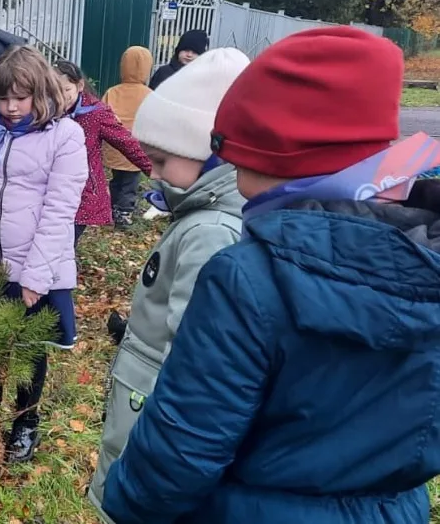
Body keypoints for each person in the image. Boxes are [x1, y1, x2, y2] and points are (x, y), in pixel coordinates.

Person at [100, 26, 440, 524]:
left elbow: (184, 443)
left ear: (272, 157)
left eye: (236, 158)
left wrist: (127, 503)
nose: (234, 177)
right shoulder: (425, 255)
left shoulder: (246, 277)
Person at [87, 47, 250, 512]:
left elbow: (190, 363)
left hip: (149, 418)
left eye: (161, 159)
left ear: (208, 151)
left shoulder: (211, 232)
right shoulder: (203, 216)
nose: (152, 172)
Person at [0, 45, 87, 463]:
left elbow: (60, 211)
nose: (9, 108)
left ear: (40, 94)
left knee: (28, 350)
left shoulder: (66, 137)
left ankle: (25, 424)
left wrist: (35, 278)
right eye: (2, 99)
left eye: (19, 99)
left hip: (36, 269)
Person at [54, 60, 150, 241]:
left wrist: (157, 170)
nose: (60, 96)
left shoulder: (95, 113)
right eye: (53, 91)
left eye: (66, 90)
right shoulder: (44, 112)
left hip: (82, 193)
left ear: (79, 85)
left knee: (64, 244)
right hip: (51, 191)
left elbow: (126, 142)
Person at [101, 46, 155, 228]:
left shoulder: (112, 92)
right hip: (137, 147)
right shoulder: (149, 94)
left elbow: (102, 115)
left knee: (116, 179)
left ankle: (112, 208)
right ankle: (124, 212)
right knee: (130, 183)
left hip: (115, 146)